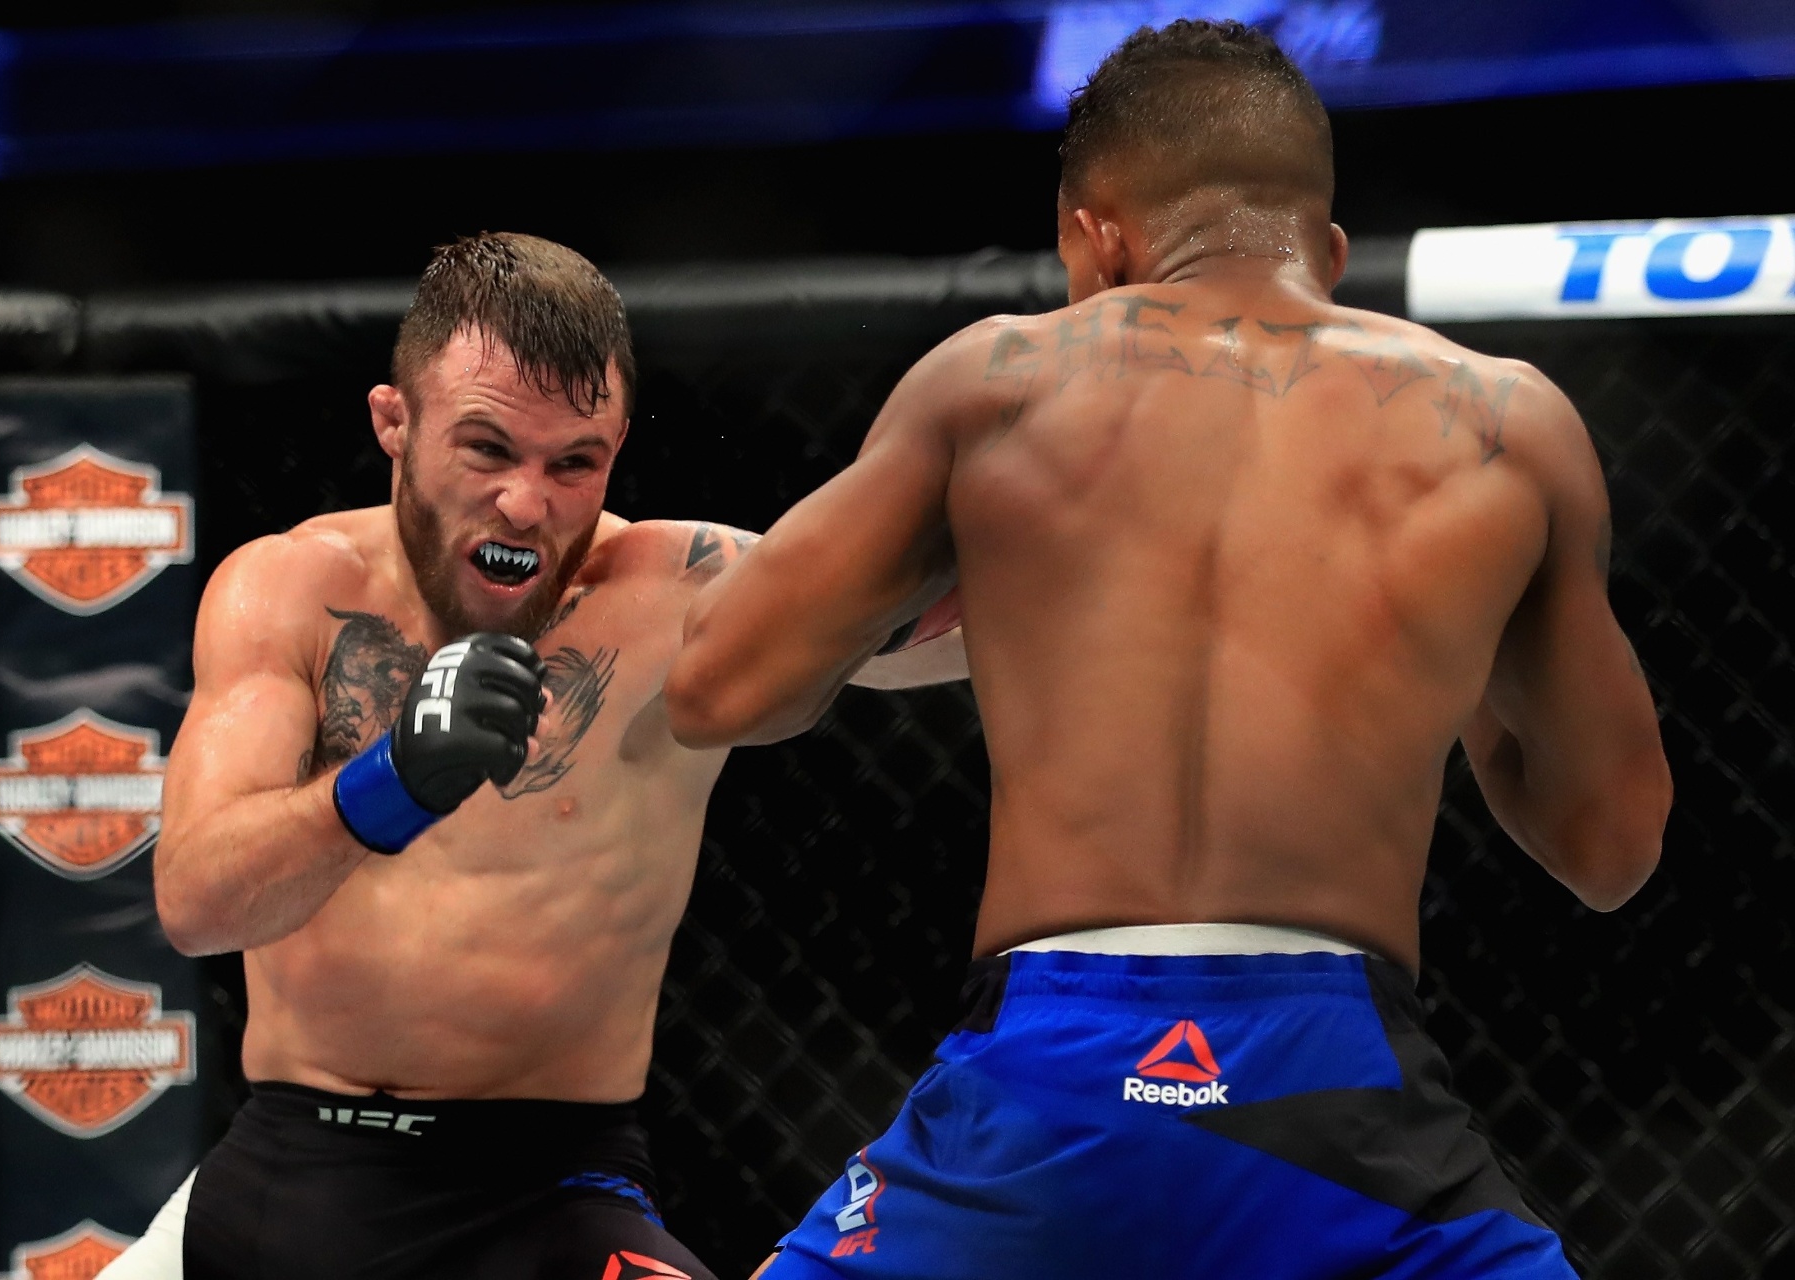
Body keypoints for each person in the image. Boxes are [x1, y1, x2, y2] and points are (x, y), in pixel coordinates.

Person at [665, 21, 1671, 1280]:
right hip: (1339, 1094)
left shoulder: (996, 384)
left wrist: (943, 592)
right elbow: (1612, 845)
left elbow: (713, 686)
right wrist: (1457, 650)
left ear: (1097, 238)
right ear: (1334, 251)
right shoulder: (1508, 425)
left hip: (1041, 1082)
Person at [103, 232, 966, 1280]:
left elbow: (970, 632)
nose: (527, 503)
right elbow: (198, 898)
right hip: (296, 1175)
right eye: (487, 449)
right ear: (394, 422)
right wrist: (392, 781)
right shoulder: (291, 591)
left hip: (554, 1193)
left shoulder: (678, 593)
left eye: (575, 463)